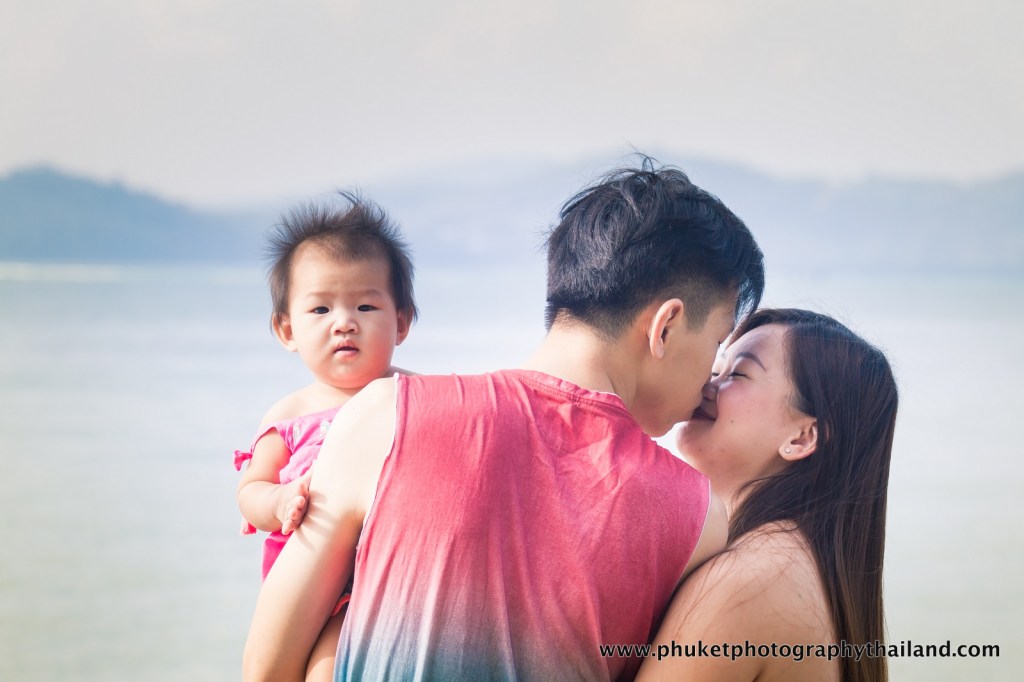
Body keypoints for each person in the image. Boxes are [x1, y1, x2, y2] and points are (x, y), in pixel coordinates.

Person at [242, 160, 766, 681]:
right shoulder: (697, 519)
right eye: (717, 341)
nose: (712, 372)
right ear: (666, 326)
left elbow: (267, 670)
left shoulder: (386, 416)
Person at [637, 308, 898, 682]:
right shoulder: (798, 566)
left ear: (802, 437)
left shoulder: (750, 580)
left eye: (739, 374)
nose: (706, 386)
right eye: (716, 369)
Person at [234, 192, 416, 680]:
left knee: (337, 668)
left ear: (400, 322)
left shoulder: (414, 396)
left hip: (386, 578)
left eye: (364, 304)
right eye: (320, 310)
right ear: (286, 330)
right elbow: (250, 488)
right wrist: (277, 501)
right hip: (308, 585)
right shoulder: (290, 414)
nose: (344, 322)